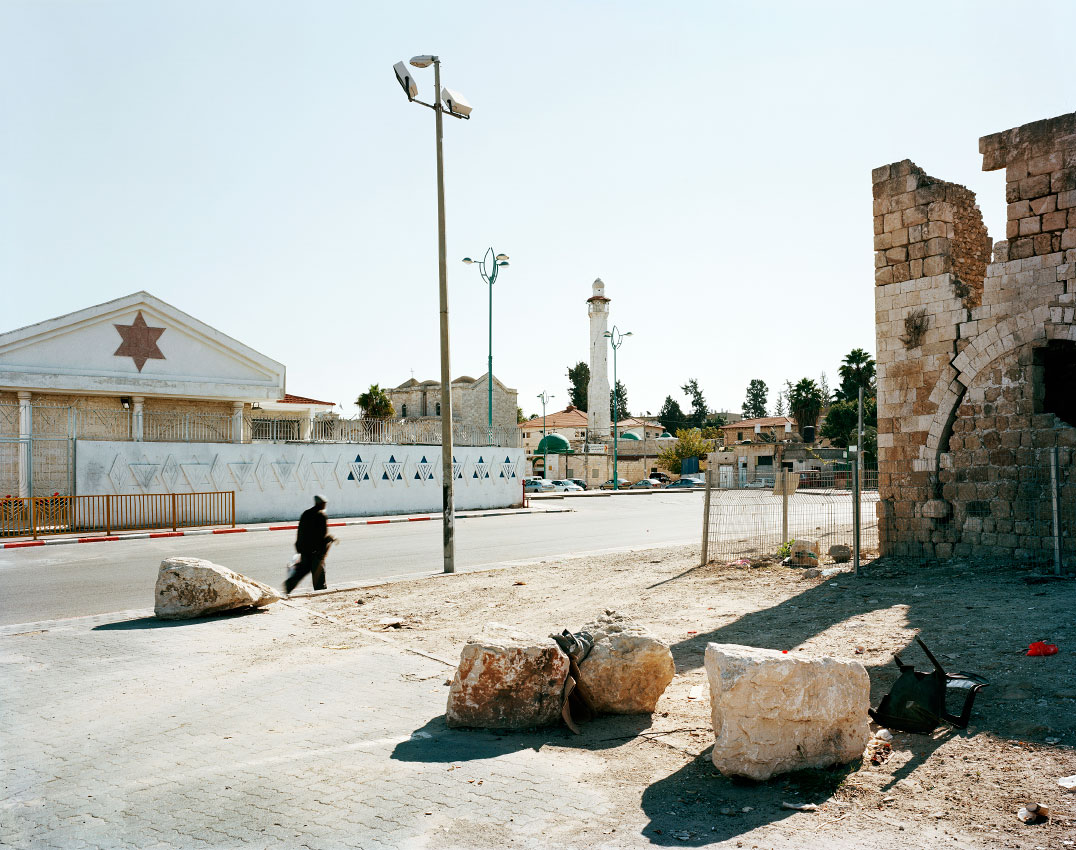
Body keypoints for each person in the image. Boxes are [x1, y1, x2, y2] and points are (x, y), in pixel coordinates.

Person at [284, 494, 334, 595]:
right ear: (320, 504)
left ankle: (289, 584)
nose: (325, 505)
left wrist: (299, 547)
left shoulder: (306, 514)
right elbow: (322, 535)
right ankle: (320, 594)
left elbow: (300, 531)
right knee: (319, 574)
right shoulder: (321, 515)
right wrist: (328, 541)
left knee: (303, 569)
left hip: (304, 550)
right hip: (316, 551)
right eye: (324, 503)